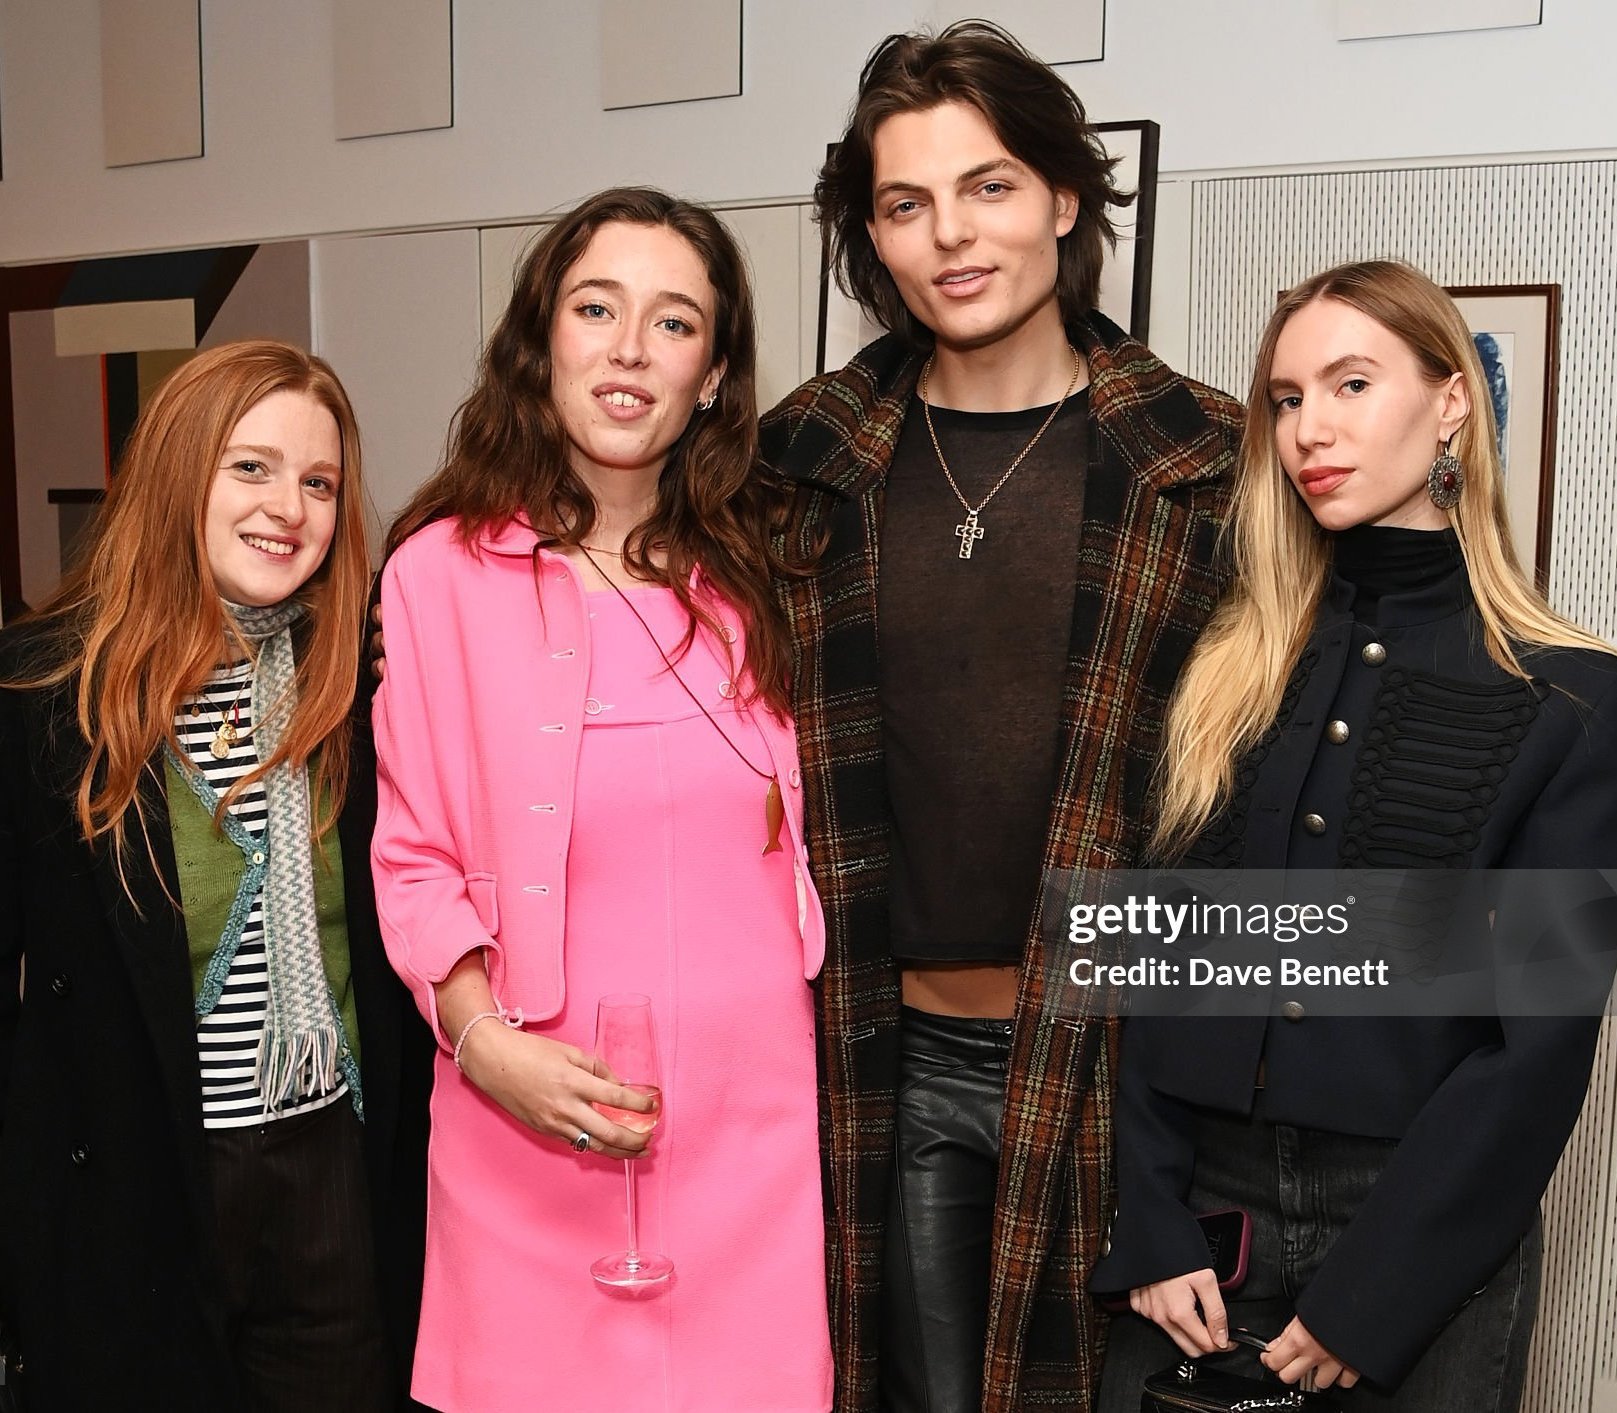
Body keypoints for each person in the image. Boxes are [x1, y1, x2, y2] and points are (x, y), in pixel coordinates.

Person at [761, 22, 1243, 1412]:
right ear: (872, 236)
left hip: (1127, 1060)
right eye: (905, 204)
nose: (952, 235)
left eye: (988, 187)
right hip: (883, 1052)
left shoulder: (1204, 462)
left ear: (1063, 200)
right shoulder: (798, 463)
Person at [1091, 260, 1617, 1410]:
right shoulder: (1221, 669)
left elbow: (1538, 1048)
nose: (1309, 429)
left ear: (1450, 401)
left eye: (1351, 384)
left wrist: (1377, 1292)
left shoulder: (1572, 698)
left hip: (1423, 1227)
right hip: (1204, 1235)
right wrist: (1154, 1215)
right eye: (1287, 398)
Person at [371, 187, 831, 1412]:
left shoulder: (774, 570)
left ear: (714, 375)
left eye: (673, 322)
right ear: (542, 340)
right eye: (595, 309)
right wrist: (485, 1047)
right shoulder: (436, 575)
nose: (630, 349)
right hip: (527, 1115)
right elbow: (412, 857)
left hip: (754, 1140)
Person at [0, 340, 429, 1411]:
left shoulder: (362, 683)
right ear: (178, 472)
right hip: (135, 1175)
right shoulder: (41, 692)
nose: (289, 507)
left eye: (319, 482)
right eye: (252, 468)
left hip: (330, 1167)